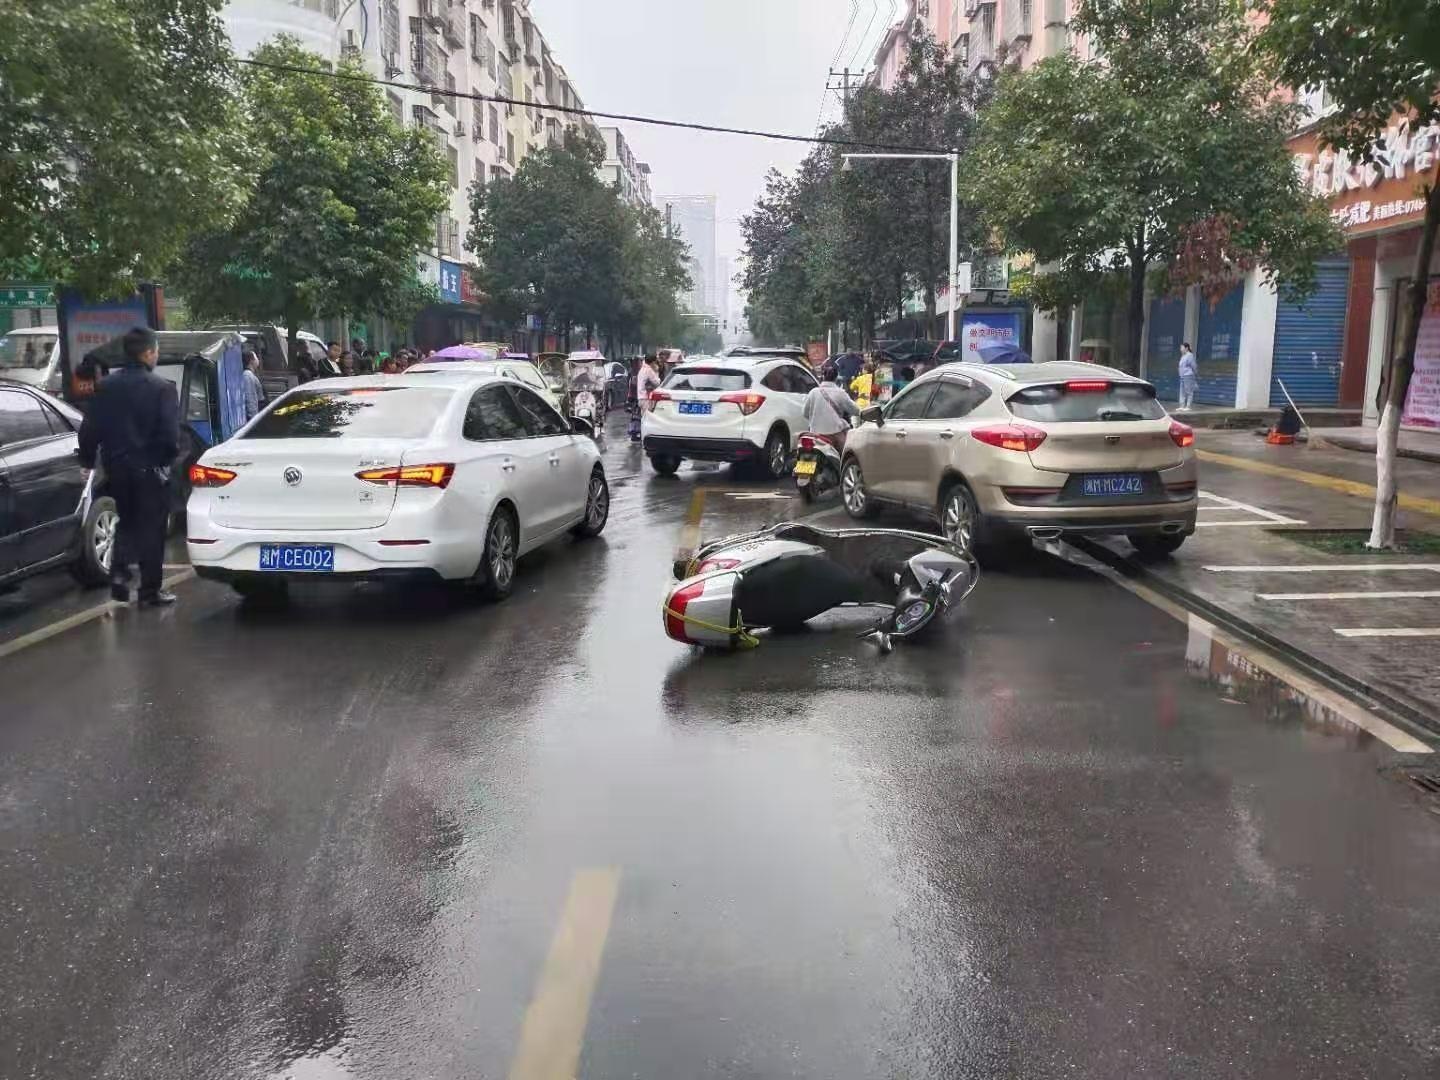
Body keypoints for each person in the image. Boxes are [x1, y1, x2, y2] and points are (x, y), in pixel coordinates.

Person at [77, 327, 180, 607]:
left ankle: (120, 576)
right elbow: (171, 437)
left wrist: (87, 461)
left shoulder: (106, 387)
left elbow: (89, 430)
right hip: (150, 471)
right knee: (152, 530)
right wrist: (165, 461)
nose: (157, 355)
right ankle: (149, 592)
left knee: (127, 521)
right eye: (156, 351)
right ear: (148, 353)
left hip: (116, 469)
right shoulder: (163, 389)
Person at [803, 366, 860, 449]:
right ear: (836, 378)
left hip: (814, 434)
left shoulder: (813, 392)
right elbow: (855, 410)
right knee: (847, 452)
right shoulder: (840, 393)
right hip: (834, 434)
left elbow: (805, 413)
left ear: (823, 377)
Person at [241, 349, 265, 420]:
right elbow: (250, 397)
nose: (258, 360)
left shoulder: (251, 375)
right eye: (256, 357)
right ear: (251, 360)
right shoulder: (247, 375)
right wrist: (253, 418)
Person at [1178, 341, 1198, 412]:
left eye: (1182, 347)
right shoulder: (1183, 356)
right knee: (1182, 391)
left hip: (1188, 375)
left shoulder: (1190, 355)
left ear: (1186, 348)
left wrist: (1195, 374)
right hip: (1182, 376)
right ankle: (1182, 406)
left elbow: (1193, 366)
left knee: (1189, 391)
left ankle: (1188, 406)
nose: (1180, 349)